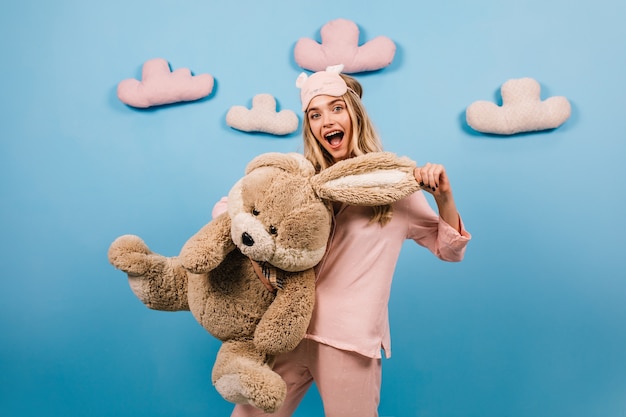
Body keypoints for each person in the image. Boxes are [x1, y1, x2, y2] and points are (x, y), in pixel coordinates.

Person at [227, 66, 471, 417]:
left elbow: (449, 249)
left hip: (348, 340)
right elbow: (235, 211)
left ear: (354, 115)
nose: (327, 121)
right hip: (288, 329)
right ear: (310, 127)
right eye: (315, 114)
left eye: (336, 108)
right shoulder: (300, 183)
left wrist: (443, 197)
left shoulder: (394, 186)